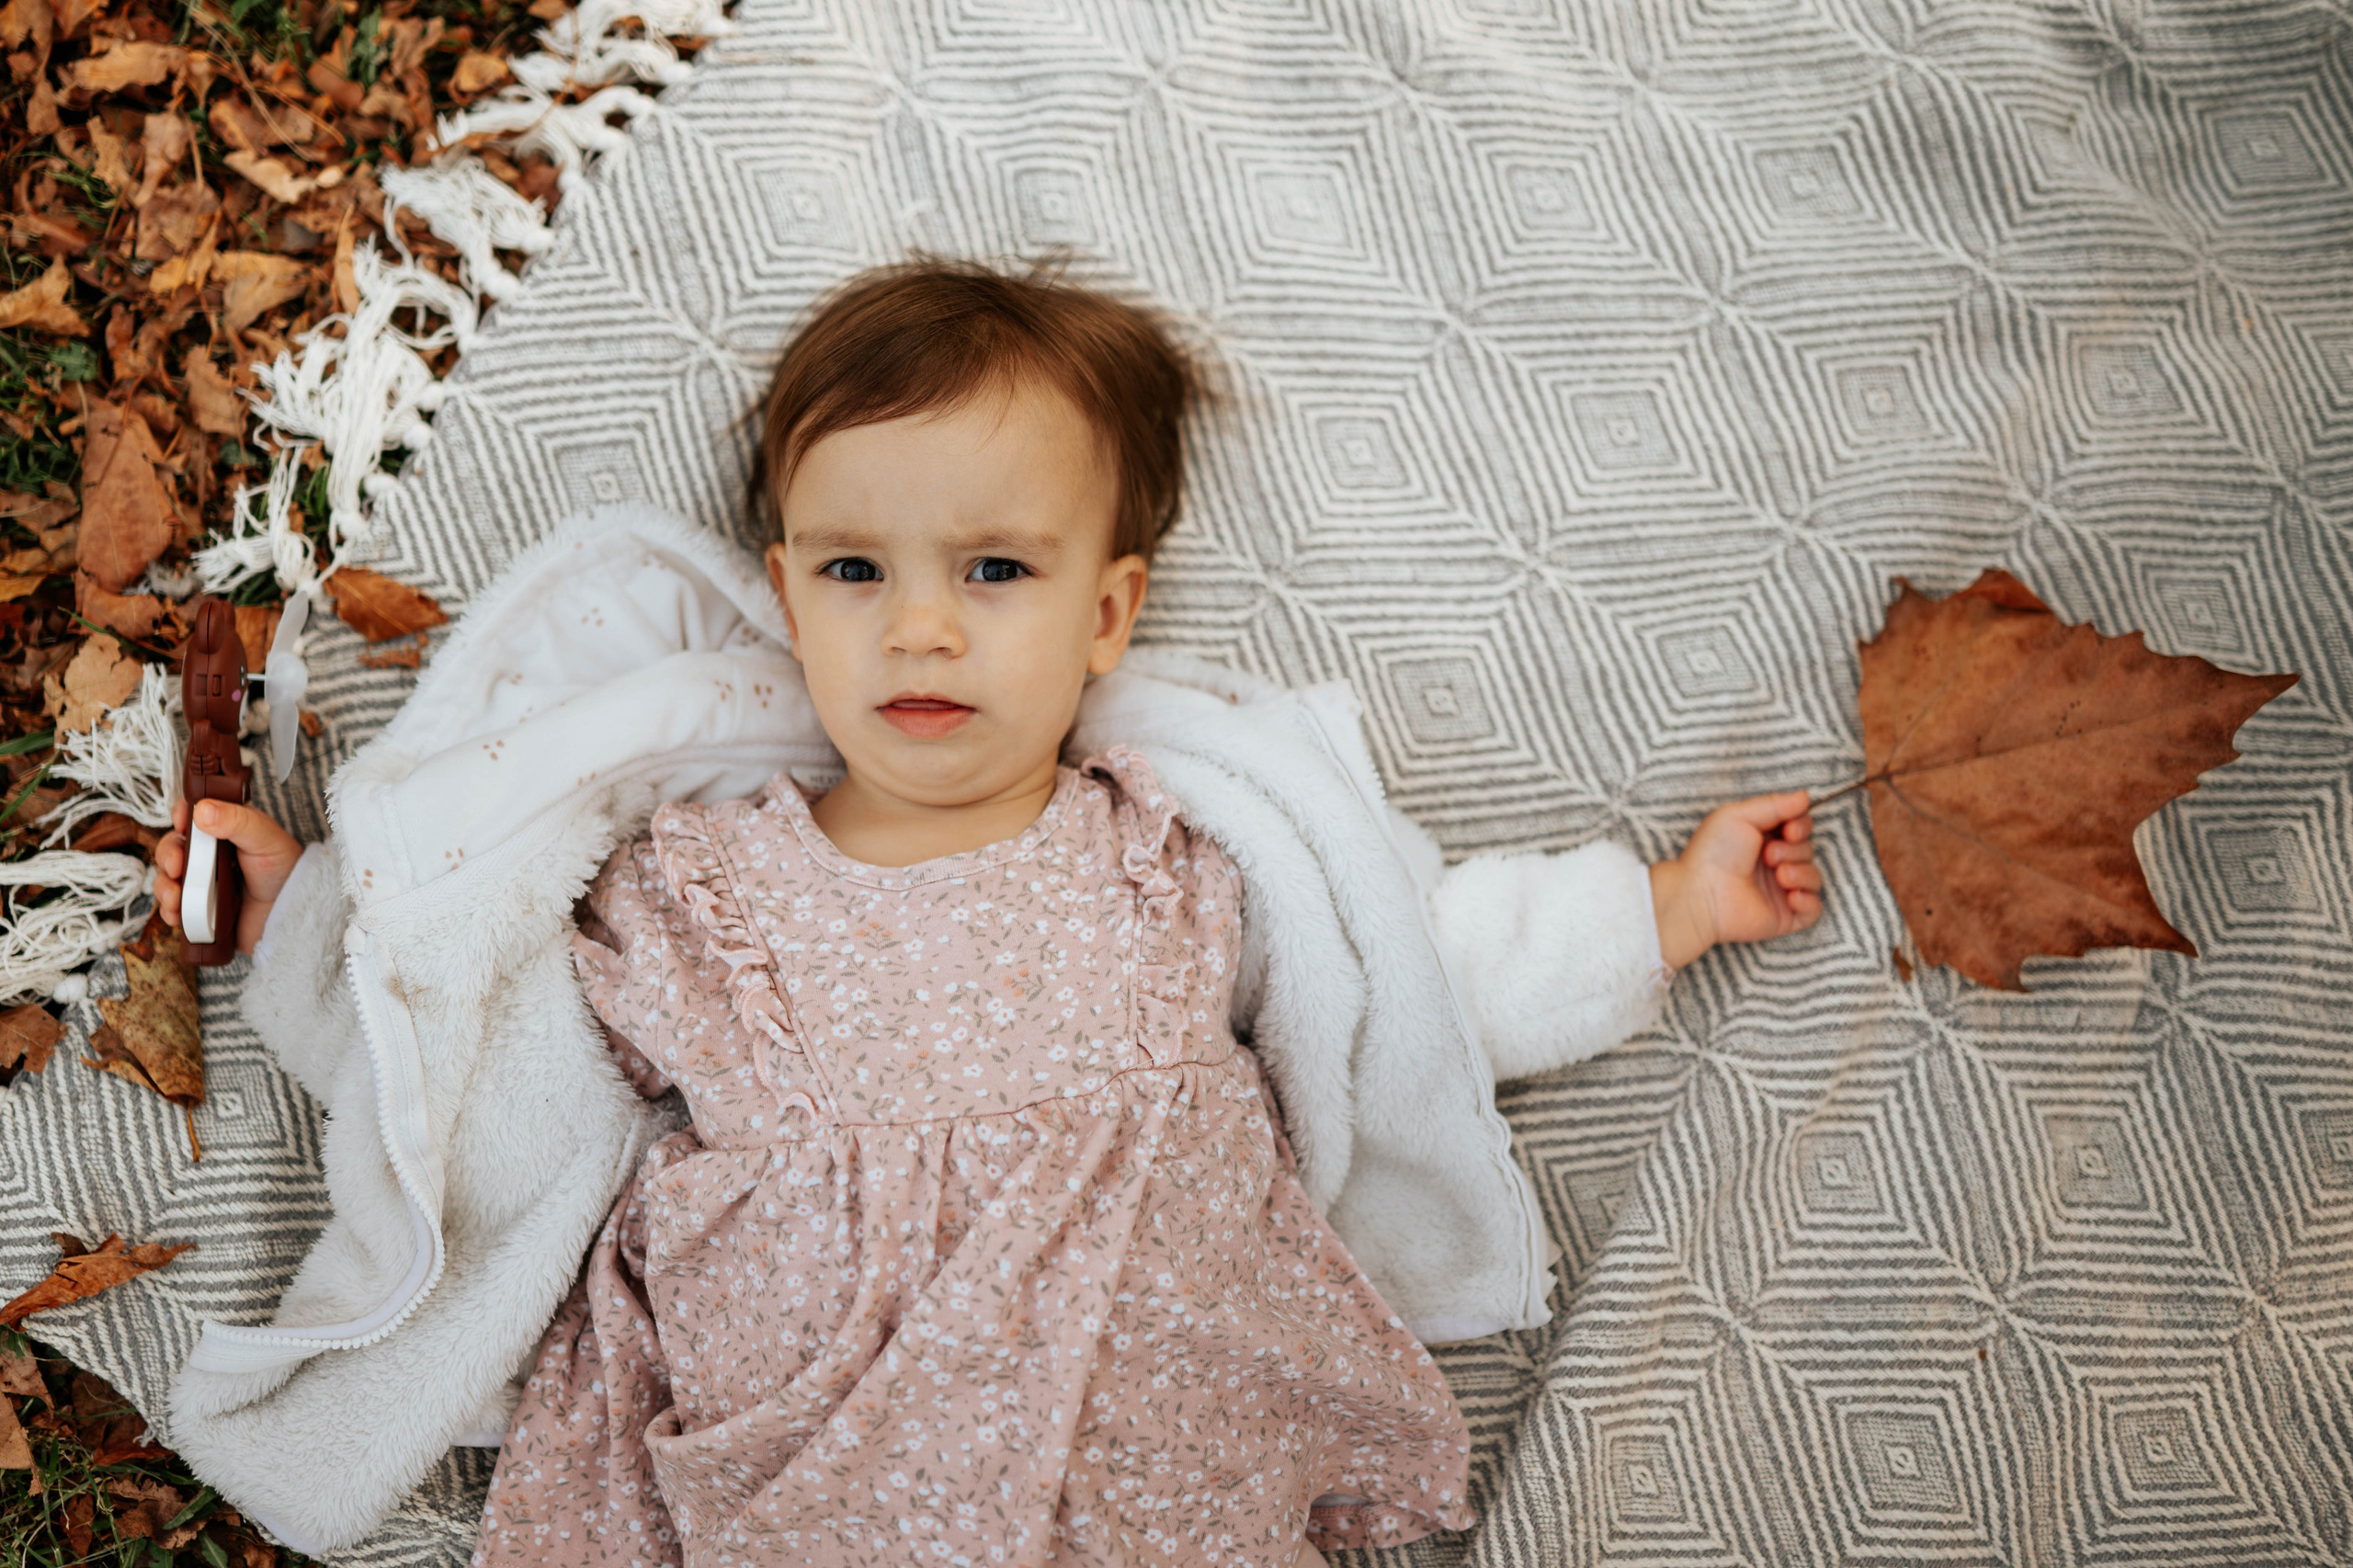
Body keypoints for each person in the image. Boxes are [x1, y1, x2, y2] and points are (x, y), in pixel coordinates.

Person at [157, 259, 1822, 1566]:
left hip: (1167, 1470)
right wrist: (310, 920)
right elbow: (486, 1064)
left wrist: (1660, 911)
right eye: (857, 571)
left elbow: (1416, 976)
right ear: (786, 592)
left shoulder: (1180, 852)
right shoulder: (694, 883)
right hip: (823, 1476)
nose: (923, 629)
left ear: (1107, 614)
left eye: (996, 571)